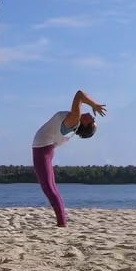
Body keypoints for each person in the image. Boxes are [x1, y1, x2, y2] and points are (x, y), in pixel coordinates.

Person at [32, 89, 106, 227]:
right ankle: (62, 222)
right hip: (45, 149)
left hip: (42, 150)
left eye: (93, 121)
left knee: (49, 189)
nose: (93, 116)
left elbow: (79, 95)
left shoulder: (74, 119)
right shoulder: (74, 120)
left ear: (85, 124)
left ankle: (62, 223)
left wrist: (94, 105)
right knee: (50, 188)